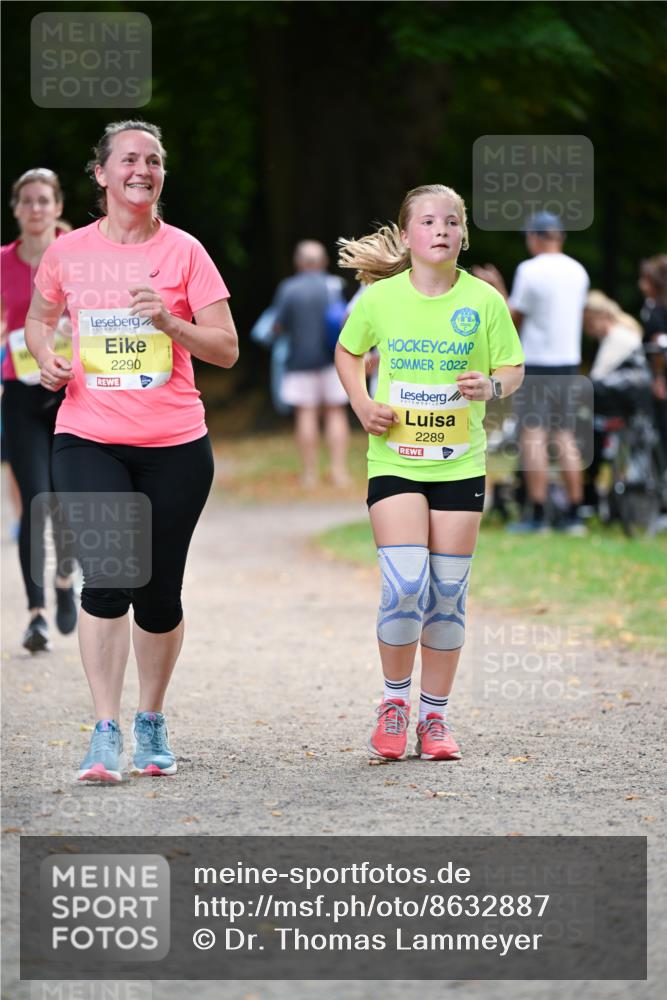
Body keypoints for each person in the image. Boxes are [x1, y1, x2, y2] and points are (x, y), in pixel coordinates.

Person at [25, 120, 239, 783]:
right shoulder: (69, 253)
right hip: (88, 435)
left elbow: (226, 348)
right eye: (128, 159)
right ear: (101, 174)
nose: (141, 168)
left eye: (152, 160)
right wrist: (47, 358)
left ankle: (149, 718)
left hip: (175, 445)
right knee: (110, 578)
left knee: (158, 594)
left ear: (161, 175)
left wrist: (170, 323)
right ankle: (103, 730)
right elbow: (38, 319)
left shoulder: (185, 254)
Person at [335, 184, 524, 761]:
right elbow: (347, 353)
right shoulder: (379, 300)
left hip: (459, 463)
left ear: (463, 234)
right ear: (409, 233)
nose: (441, 229)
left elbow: (511, 369)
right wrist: (363, 404)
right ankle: (395, 704)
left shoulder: (484, 301)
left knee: (447, 594)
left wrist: (490, 387)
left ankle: (434, 719)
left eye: (451, 221)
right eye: (428, 221)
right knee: (405, 584)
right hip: (394, 460)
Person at [473, 211, 590, 534]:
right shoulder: (578, 271)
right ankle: (574, 514)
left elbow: (513, 320)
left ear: (537, 237)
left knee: (533, 436)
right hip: (569, 362)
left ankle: (537, 512)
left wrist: (496, 290)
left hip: (537, 363)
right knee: (565, 435)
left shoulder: (530, 270)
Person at [1, 167, 77, 652]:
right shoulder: (3, 262)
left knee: (67, 498)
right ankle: (35, 614)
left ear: (58, 206)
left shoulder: (78, 256)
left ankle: (66, 579)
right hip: (22, 394)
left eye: (43, 200)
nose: (35, 208)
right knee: (34, 501)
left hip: (72, 391)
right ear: (15, 209)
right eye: (26, 200)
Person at [273, 240, 350, 488]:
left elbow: (277, 325)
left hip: (299, 361)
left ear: (298, 262)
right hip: (333, 361)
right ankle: (339, 472)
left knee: (306, 413)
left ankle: (309, 474)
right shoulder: (334, 285)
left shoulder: (289, 289)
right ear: (324, 262)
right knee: (336, 412)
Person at [582, 291, 652, 513]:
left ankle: (586, 497)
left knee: (586, 432)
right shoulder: (628, 331)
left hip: (620, 408)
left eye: (589, 324)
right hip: (630, 405)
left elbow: (598, 377)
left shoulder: (617, 337)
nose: (588, 331)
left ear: (600, 317)